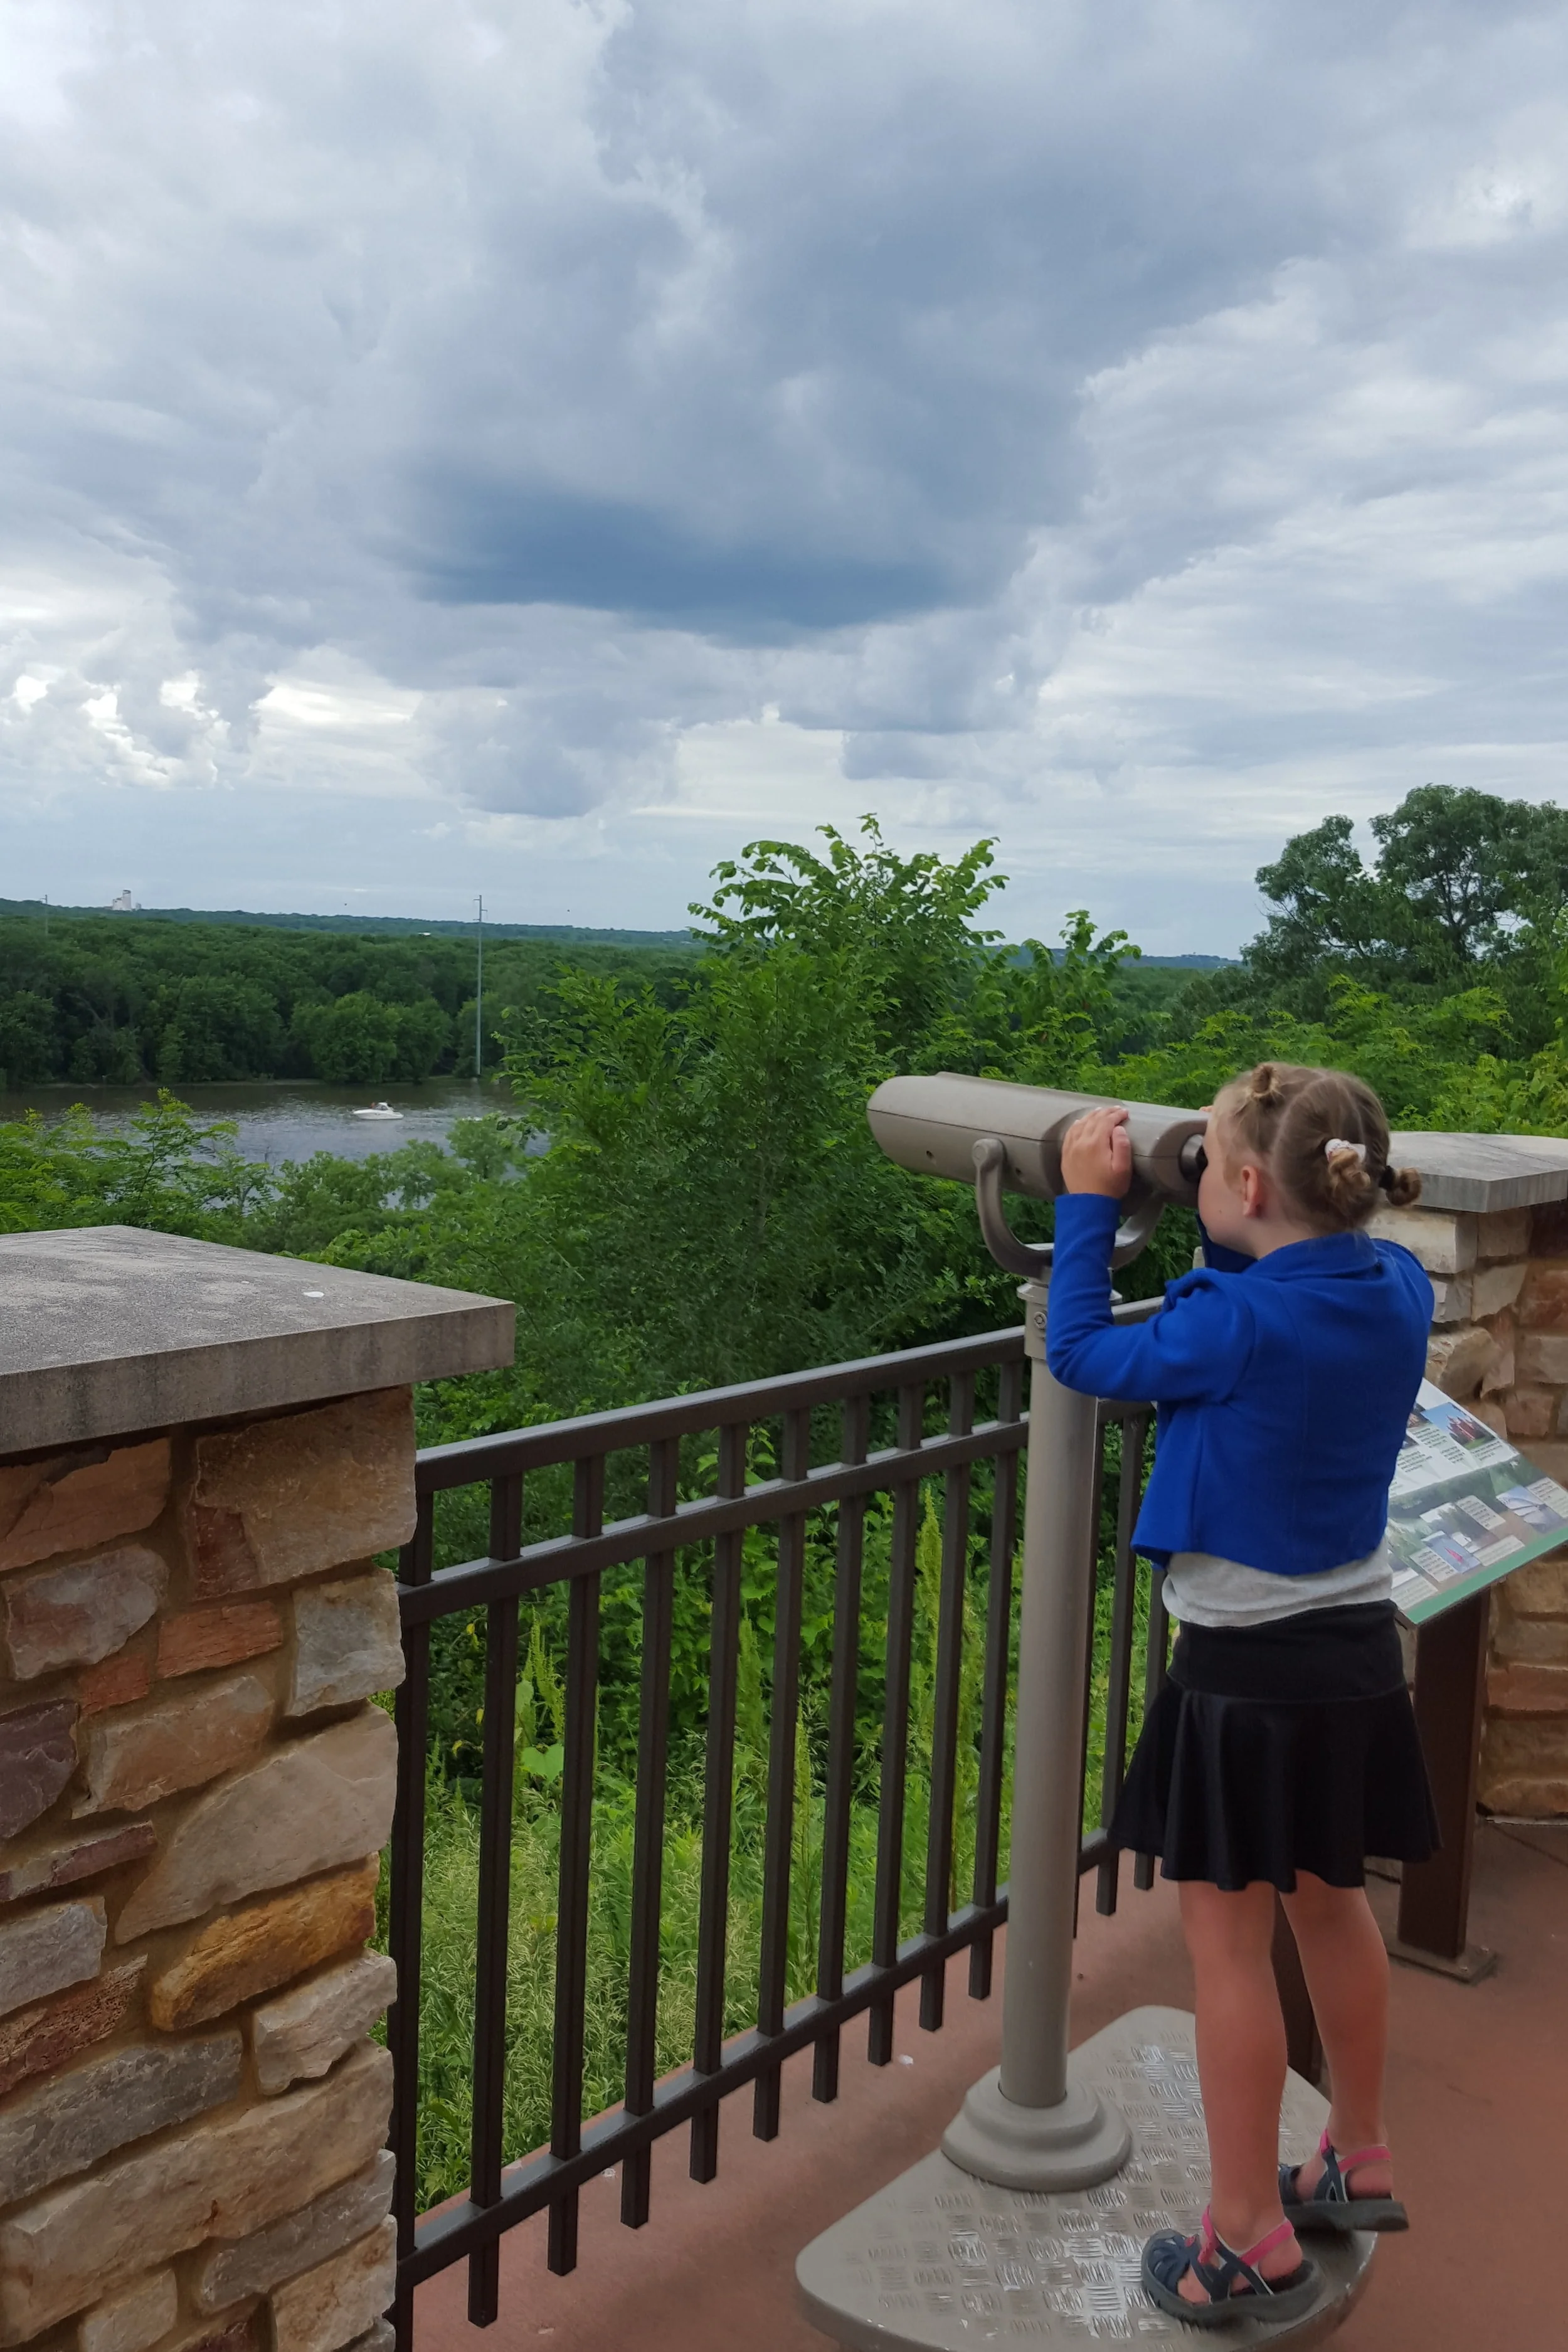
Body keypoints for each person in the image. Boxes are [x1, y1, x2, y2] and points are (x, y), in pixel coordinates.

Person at [1049, 1062, 1439, 2327]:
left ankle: (1242, 2240)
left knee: (1225, 1949)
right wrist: (1225, 1203)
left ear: (1253, 1186)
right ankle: (1356, 2153)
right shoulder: (1399, 1285)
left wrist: (1084, 1205)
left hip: (1242, 1674)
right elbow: (1283, 1274)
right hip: (1355, 1653)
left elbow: (1080, 1352)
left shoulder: (1235, 1326)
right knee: (1331, 1904)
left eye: (1209, 1165)